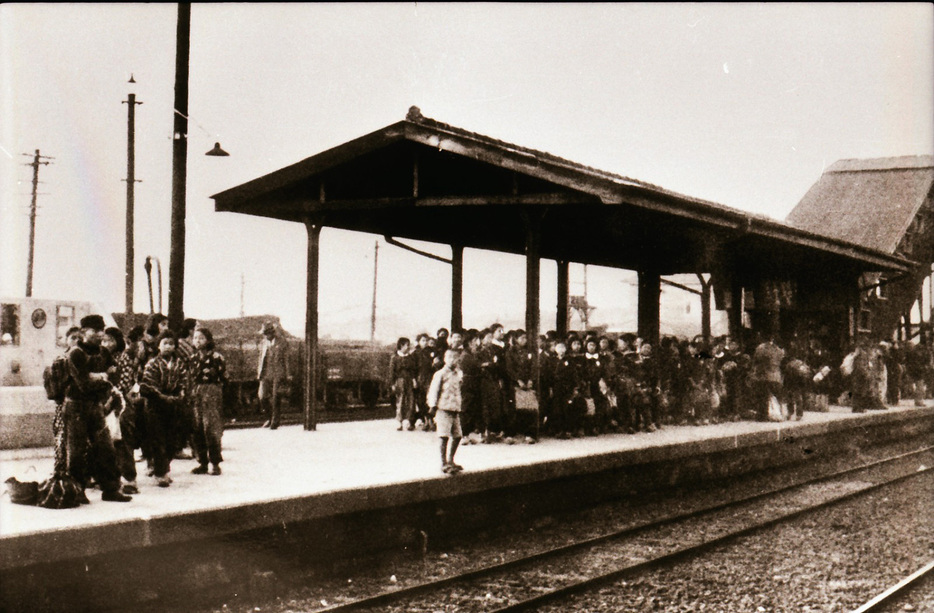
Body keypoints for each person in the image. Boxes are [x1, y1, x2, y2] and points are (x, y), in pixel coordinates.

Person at [63, 315, 132, 502]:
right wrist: (103, 376)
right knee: (77, 453)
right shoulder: (75, 353)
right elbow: (84, 384)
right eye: (95, 330)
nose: (100, 334)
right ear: (83, 332)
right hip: (76, 407)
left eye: (102, 330)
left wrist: (98, 377)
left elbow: (114, 378)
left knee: (106, 449)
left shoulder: (104, 352)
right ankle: (77, 491)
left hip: (96, 406)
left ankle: (111, 489)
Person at [140, 330, 185, 487]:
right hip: (155, 403)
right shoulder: (152, 363)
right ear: (158, 346)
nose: (168, 346)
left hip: (173, 404)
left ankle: (164, 467)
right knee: (158, 438)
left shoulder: (179, 364)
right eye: (165, 343)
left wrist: (180, 395)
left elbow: (183, 382)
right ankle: (160, 472)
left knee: (172, 439)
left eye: (171, 344)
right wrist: (163, 397)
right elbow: (149, 385)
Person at [102, 327, 139, 494]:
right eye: (104, 340)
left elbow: (124, 384)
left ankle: (129, 479)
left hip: (120, 404)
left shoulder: (123, 358)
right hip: (105, 404)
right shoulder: (101, 358)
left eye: (110, 340)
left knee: (123, 442)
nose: (106, 343)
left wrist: (111, 398)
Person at [188, 327, 227, 476]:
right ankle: (202, 463)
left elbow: (223, 378)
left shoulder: (217, 357)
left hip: (212, 392)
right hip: (196, 393)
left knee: (211, 428)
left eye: (201, 338)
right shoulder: (193, 359)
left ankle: (215, 463)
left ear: (208, 340)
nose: (198, 341)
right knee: (197, 428)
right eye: (195, 338)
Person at [427, 349, 464, 474]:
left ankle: (451, 459)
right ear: (445, 359)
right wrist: (432, 406)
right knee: (444, 436)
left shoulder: (458, 374)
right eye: (450, 357)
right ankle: (443, 463)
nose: (453, 360)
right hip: (443, 408)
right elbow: (433, 390)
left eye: (455, 357)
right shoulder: (440, 374)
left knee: (458, 436)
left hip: (454, 409)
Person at [257, 322, 290, 430]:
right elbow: (260, 359)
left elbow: (286, 359)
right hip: (266, 373)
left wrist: (288, 374)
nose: (266, 335)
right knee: (262, 396)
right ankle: (268, 417)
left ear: (272, 333)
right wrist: (259, 373)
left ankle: (275, 421)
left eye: (267, 333)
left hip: (278, 373)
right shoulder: (263, 343)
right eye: (264, 333)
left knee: (276, 397)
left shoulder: (282, 342)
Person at [388, 337, 417, 430]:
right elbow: (392, 372)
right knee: (400, 401)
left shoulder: (410, 357)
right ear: (401, 346)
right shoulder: (395, 358)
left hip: (409, 381)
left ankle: (409, 421)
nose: (408, 347)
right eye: (407, 345)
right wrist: (392, 384)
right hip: (399, 381)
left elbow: (413, 370)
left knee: (411, 401)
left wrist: (414, 380)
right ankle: (399, 422)